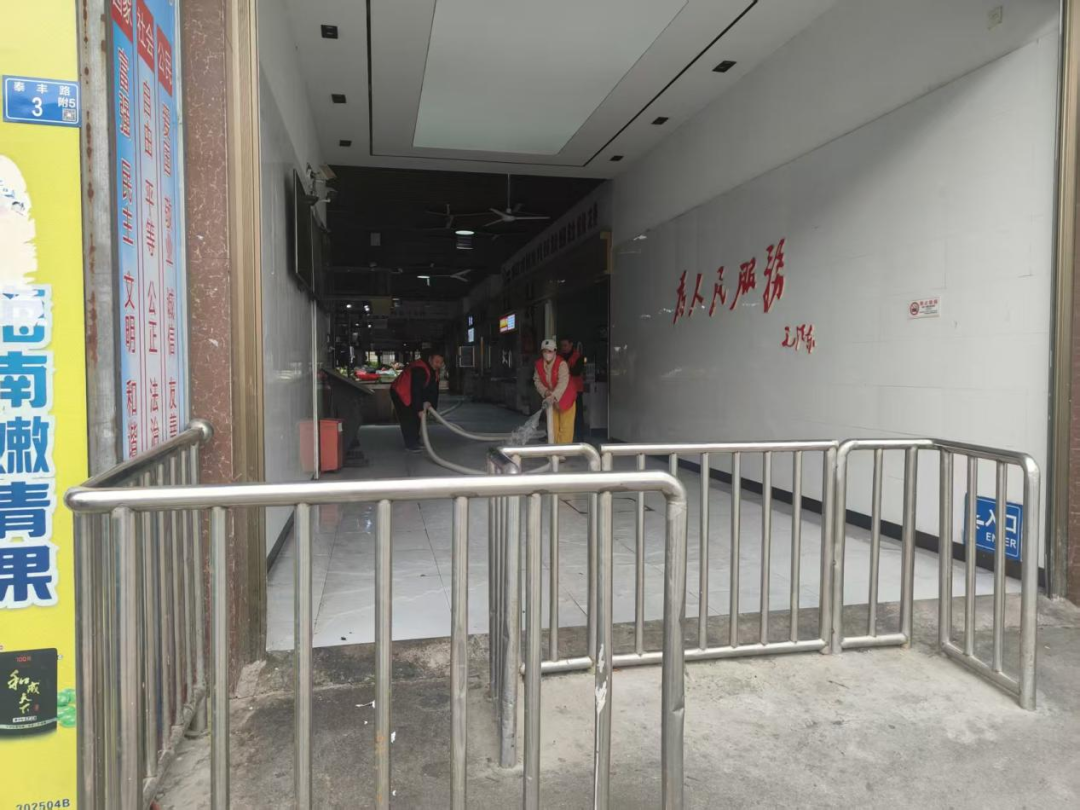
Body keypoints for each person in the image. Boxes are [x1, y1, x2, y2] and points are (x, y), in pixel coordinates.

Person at [389, 351, 443, 452]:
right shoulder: (419, 369)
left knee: (417, 417)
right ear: (430, 359)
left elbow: (433, 391)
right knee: (408, 417)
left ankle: (415, 440)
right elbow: (416, 391)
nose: (439, 365)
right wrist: (419, 409)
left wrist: (431, 407)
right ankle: (410, 444)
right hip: (401, 392)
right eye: (437, 362)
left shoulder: (434, 371)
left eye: (441, 363)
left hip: (412, 392)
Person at [534, 338, 575, 444]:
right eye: (545, 351)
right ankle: (554, 449)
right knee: (553, 427)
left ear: (555, 351)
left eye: (550, 351)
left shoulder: (561, 364)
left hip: (566, 396)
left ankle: (563, 451)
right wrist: (545, 392)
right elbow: (537, 381)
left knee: (565, 428)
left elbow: (563, 382)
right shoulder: (539, 365)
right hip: (550, 396)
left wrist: (554, 396)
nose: (547, 353)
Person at [559, 337, 585, 441]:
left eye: (565, 345)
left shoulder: (578, 356)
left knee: (578, 414)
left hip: (576, 389)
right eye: (562, 346)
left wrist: (564, 367)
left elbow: (576, 371)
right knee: (561, 413)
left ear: (571, 344)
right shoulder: (559, 357)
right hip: (562, 390)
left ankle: (579, 437)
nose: (563, 348)